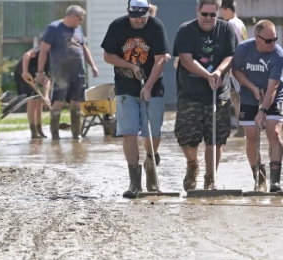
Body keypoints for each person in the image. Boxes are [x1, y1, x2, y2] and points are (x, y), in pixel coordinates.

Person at [101, 0, 169, 197]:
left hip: (154, 87)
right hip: (125, 87)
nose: (139, 20)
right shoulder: (117, 26)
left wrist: (148, 86)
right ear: (128, 12)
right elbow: (108, 55)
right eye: (135, 16)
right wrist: (131, 67)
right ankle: (134, 182)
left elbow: (161, 59)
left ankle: (151, 167)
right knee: (129, 132)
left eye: (142, 16)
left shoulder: (156, 26)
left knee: (153, 133)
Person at [174, 0, 236, 191]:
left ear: (218, 13)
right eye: (205, 14)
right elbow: (185, 59)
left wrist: (218, 72)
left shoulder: (227, 30)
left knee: (216, 139)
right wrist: (207, 75)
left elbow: (231, 56)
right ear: (197, 11)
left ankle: (211, 177)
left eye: (213, 15)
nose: (209, 19)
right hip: (190, 92)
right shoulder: (185, 30)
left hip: (218, 93)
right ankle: (192, 165)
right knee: (187, 137)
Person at [232, 20, 283, 192]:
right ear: (257, 38)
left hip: (274, 95)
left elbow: (273, 87)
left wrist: (262, 110)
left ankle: (275, 182)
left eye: (275, 39)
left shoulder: (279, 55)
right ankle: (259, 179)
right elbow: (236, 71)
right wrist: (252, 88)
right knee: (252, 137)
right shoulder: (243, 49)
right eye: (269, 40)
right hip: (248, 96)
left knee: (274, 134)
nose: (273, 43)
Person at [36, 6, 100, 140]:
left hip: (78, 72)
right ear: (72, 16)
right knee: (58, 102)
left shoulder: (78, 29)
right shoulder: (54, 28)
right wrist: (40, 71)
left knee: (77, 102)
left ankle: (76, 134)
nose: (81, 22)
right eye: (80, 19)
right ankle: (55, 134)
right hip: (61, 72)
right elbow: (43, 50)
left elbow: (83, 48)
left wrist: (93, 66)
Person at [219, 0, 247, 137]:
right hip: (241, 64)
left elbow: (231, 46)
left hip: (234, 66)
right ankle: (242, 126)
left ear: (227, 9)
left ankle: (242, 127)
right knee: (237, 96)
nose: (220, 13)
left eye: (221, 10)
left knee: (236, 97)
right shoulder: (240, 22)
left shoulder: (230, 24)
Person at [14, 45, 51, 139]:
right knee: (32, 100)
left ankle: (39, 129)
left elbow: (47, 78)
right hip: (23, 73)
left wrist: (46, 96)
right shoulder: (41, 50)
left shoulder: (51, 59)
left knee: (40, 101)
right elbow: (27, 55)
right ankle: (33, 131)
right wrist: (25, 71)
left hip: (34, 74)